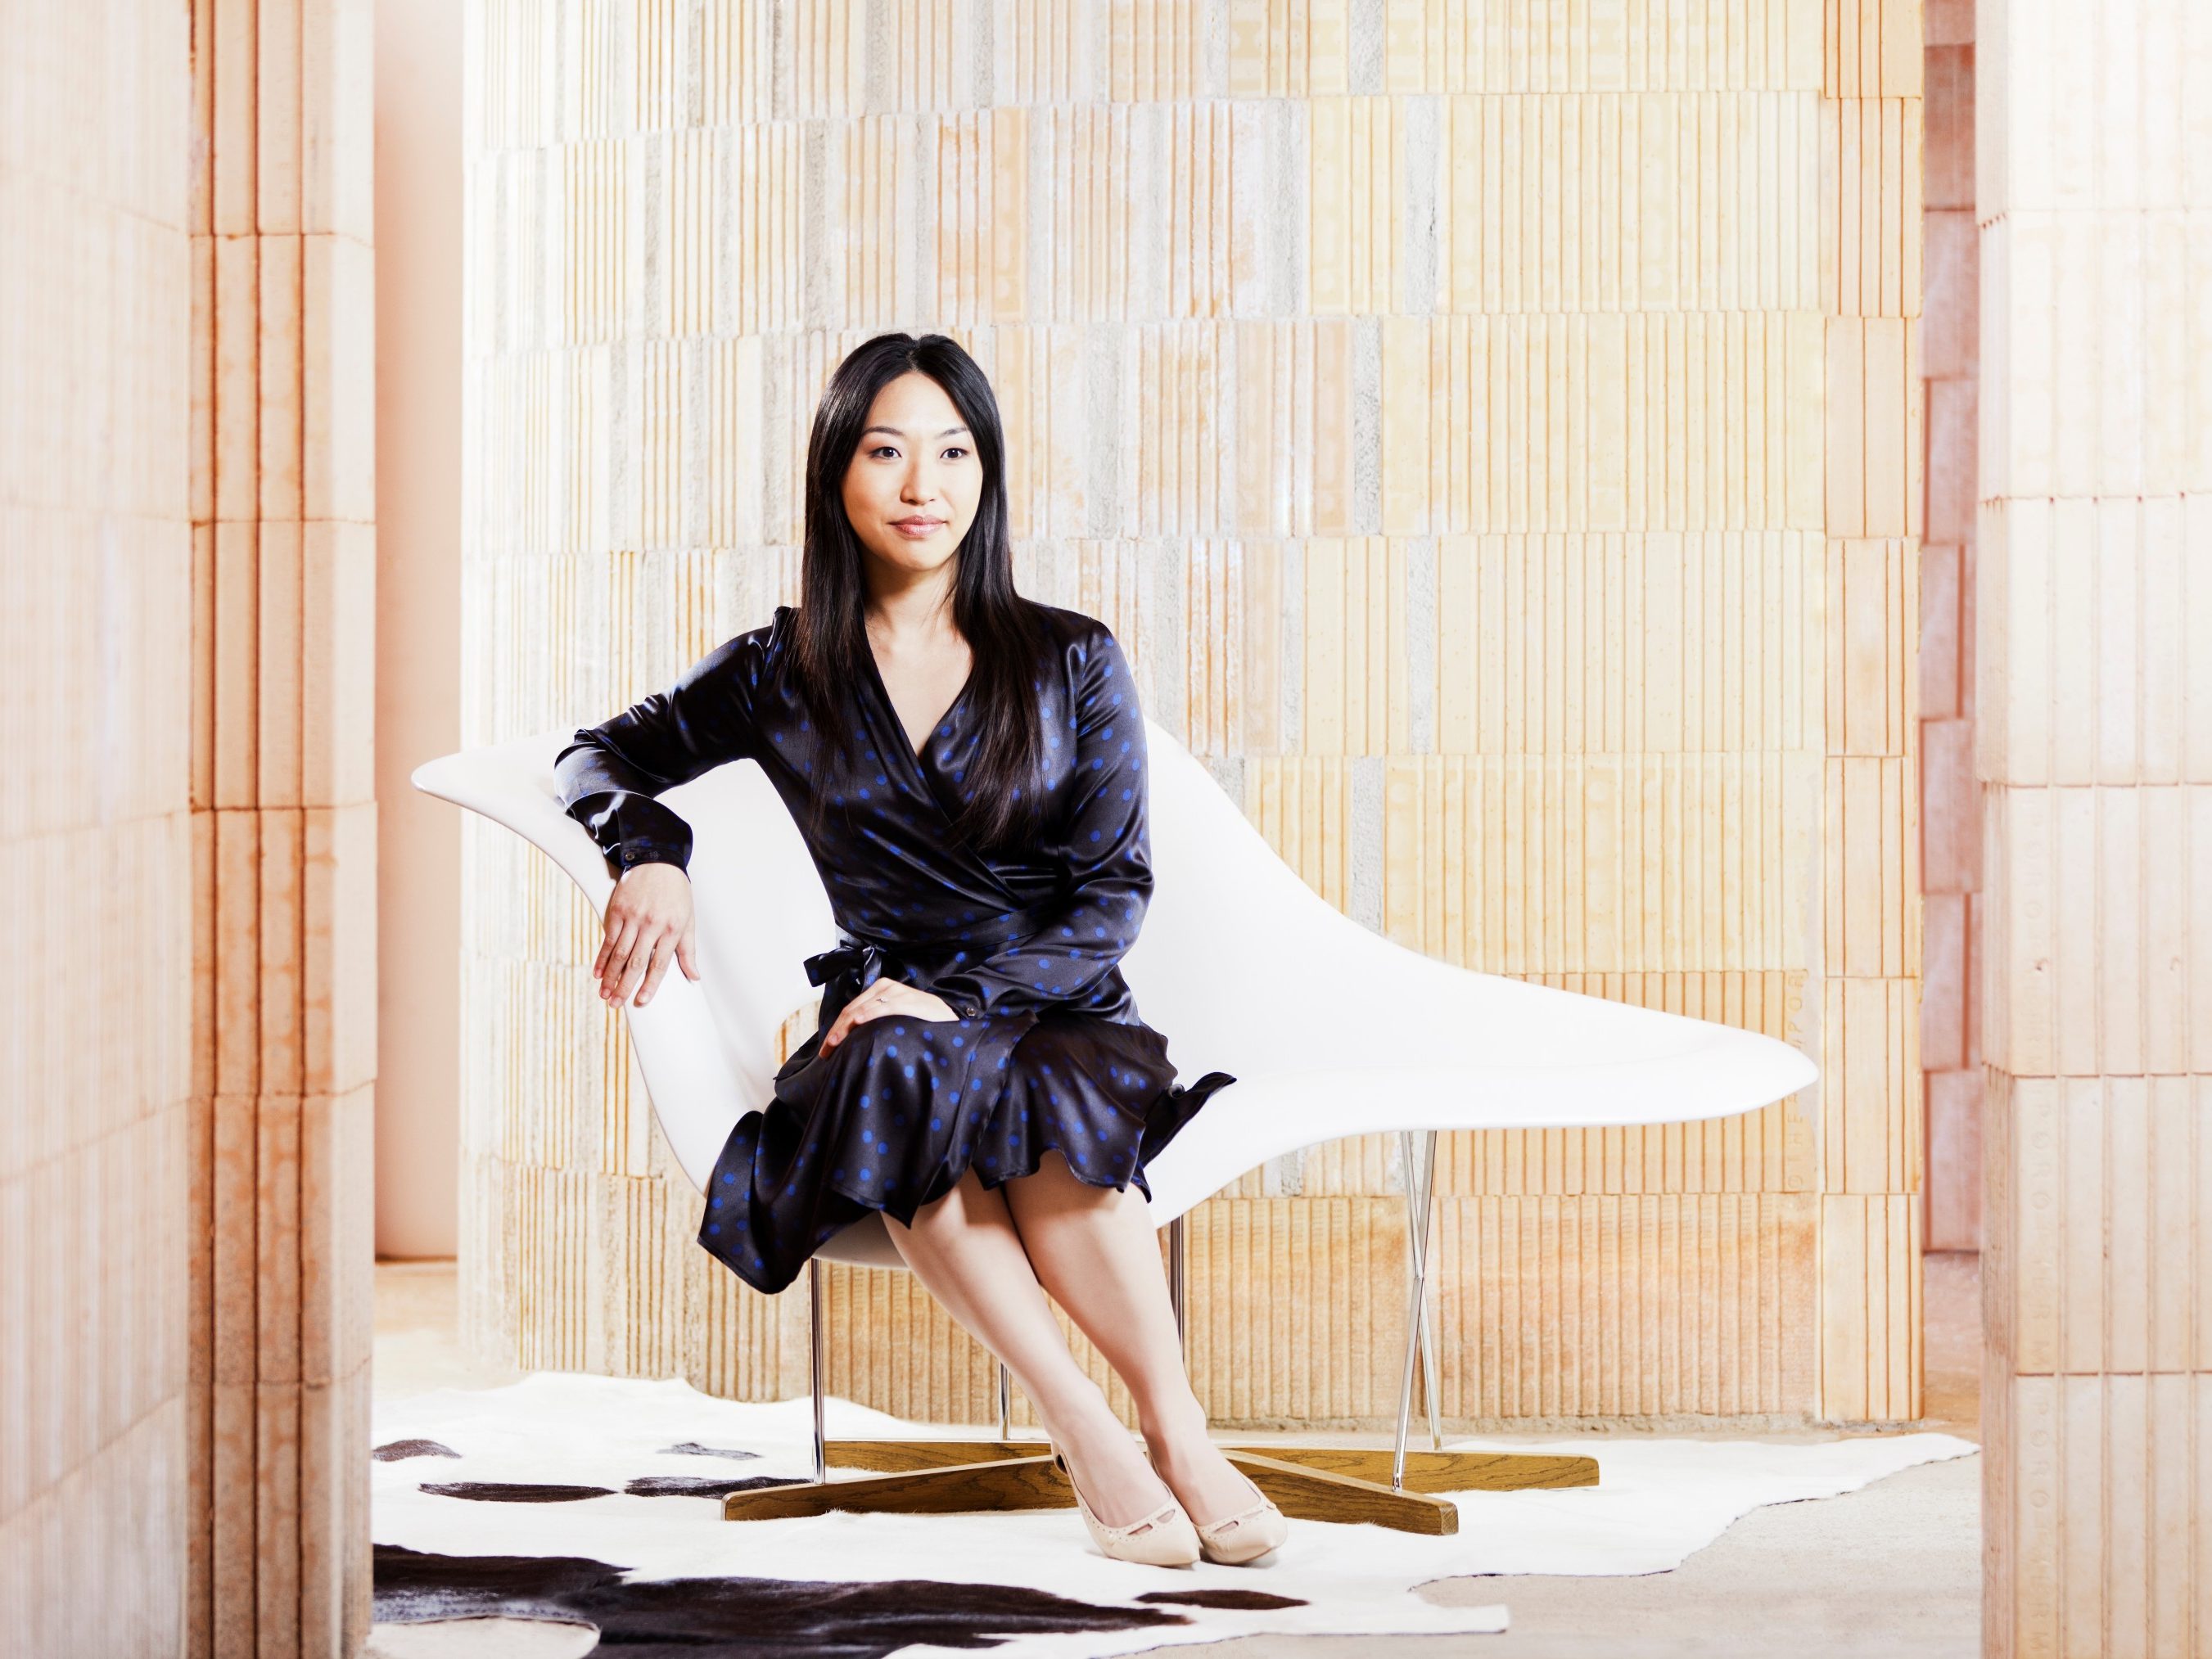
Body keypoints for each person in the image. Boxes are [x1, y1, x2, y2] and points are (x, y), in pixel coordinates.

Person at [552, 331, 1287, 1569]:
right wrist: (650, 852)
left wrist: (969, 998)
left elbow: (1114, 890)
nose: (920, 486)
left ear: (987, 476)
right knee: (900, 1065)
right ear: (837, 473)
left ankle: (1177, 1428)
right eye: (886, 452)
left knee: (1019, 1079)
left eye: (952, 453)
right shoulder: (779, 670)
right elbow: (595, 755)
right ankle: (1086, 1433)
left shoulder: (1070, 657)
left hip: (1052, 996)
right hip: (883, 1017)